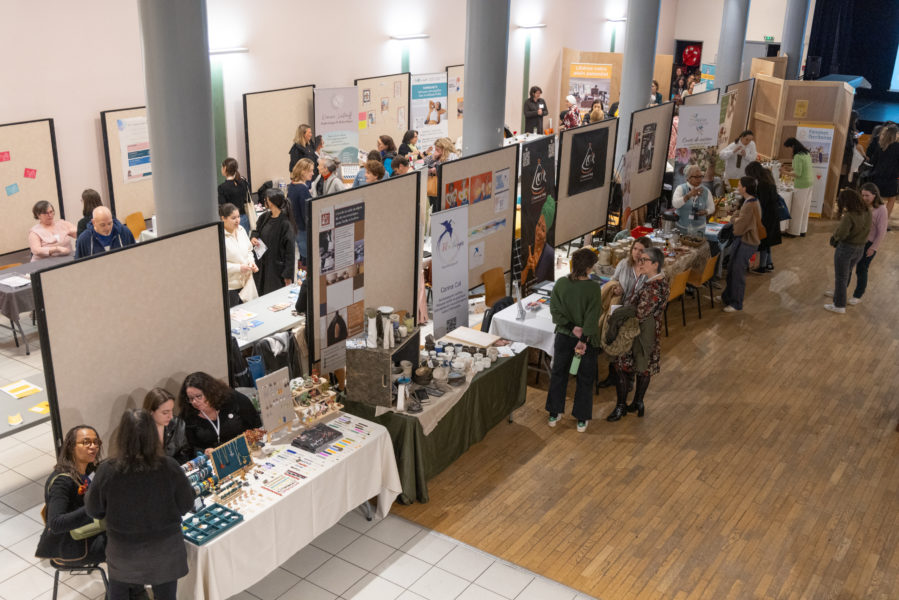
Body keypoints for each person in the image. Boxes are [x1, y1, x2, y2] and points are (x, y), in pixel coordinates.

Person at [85, 410, 194, 600]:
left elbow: (94, 510)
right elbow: (186, 505)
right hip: (165, 552)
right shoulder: (169, 467)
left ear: (122, 436)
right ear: (153, 434)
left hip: (123, 554)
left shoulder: (107, 471)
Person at [608, 246, 670, 421]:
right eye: (639, 259)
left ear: (655, 264)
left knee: (620, 366)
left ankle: (621, 406)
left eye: (644, 260)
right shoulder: (662, 282)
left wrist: (619, 314)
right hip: (651, 334)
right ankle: (638, 403)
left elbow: (640, 313)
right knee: (644, 369)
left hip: (637, 334)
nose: (640, 262)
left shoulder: (652, 288)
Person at [545, 248, 602, 433]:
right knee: (585, 378)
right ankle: (581, 418)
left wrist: (571, 327)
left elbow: (554, 310)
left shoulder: (561, 284)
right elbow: (593, 317)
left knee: (558, 374)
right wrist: (583, 338)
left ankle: (554, 413)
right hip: (585, 341)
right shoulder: (593, 288)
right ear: (588, 268)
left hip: (563, 337)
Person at [35, 425, 106, 567]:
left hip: (86, 533)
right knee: (127, 544)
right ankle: (129, 588)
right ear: (71, 446)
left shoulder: (90, 469)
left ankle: (129, 586)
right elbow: (55, 524)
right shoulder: (62, 481)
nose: (93, 447)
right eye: (86, 442)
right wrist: (93, 507)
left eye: (96, 442)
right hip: (70, 545)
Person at [597, 236, 652, 388]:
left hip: (635, 314)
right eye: (635, 249)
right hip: (618, 310)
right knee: (614, 341)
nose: (637, 253)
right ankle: (612, 377)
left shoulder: (649, 271)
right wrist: (615, 288)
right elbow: (613, 280)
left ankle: (629, 379)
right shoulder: (623, 264)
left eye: (641, 251)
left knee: (630, 346)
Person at [178, 371, 262, 454]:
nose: (194, 402)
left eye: (199, 396)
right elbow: (189, 449)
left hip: (246, 450)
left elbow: (256, 424)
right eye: (191, 398)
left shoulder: (232, 399)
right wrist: (204, 452)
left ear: (210, 392)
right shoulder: (187, 416)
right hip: (214, 460)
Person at [824, 189, 871, 314]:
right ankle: (838, 299)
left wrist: (835, 238)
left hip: (846, 249)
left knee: (841, 278)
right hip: (860, 248)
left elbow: (842, 233)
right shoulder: (867, 211)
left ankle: (839, 305)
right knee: (845, 275)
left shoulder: (849, 216)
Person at [721, 176, 762, 313]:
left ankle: (736, 302)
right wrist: (736, 218)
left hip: (746, 242)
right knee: (732, 268)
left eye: (739, 185)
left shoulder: (749, 205)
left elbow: (739, 227)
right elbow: (739, 219)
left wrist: (734, 219)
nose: (737, 187)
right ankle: (727, 297)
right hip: (745, 240)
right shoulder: (750, 202)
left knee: (737, 271)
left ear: (745, 188)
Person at [848, 183, 888, 304]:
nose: (864, 198)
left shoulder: (882, 209)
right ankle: (840, 290)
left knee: (861, 270)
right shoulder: (862, 206)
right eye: (862, 195)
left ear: (875, 195)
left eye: (867, 195)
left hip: (868, 245)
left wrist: (873, 248)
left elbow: (881, 232)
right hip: (856, 242)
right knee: (847, 268)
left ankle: (857, 295)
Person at [251, 191, 295, 294]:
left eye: (266, 199)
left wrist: (287, 275)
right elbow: (256, 231)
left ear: (271, 201)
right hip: (262, 265)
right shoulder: (264, 217)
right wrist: (253, 237)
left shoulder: (285, 224)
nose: (264, 201)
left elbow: (290, 252)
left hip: (276, 270)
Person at [744, 161, 782, 273]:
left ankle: (762, 267)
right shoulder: (768, 178)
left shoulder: (762, 184)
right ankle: (769, 264)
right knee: (767, 241)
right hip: (772, 215)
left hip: (767, 216)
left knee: (763, 242)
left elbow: (762, 203)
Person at [142, 387, 193, 464]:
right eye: (165, 413)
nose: (171, 416)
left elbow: (184, 453)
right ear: (151, 411)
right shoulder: (139, 431)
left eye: (171, 410)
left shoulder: (178, 424)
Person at [221, 203, 258, 306]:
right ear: (223, 218)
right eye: (233, 218)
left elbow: (249, 251)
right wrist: (239, 268)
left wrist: (251, 262)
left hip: (247, 282)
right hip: (231, 287)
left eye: (238, 217)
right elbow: (219, 265)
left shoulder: (241, 230)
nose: (237, 220)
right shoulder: (219, 237)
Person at [521, 195, 556, 287]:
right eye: (539, 224)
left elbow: (550, 284)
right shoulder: (527, 248)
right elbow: (520, 283)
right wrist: (527, 267)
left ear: (547, 233)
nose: (539, 232)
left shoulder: (549, 254)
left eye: (543, 230)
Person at [867, 123, 899, 223]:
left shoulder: (880, 146)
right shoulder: (898, 147)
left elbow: (873, 161)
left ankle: (869, 220)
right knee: (891, 199)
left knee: (874, 198)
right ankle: (883, 222)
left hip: (876, 176)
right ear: (895, 134)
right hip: (891, 178)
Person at [672, 165, 716, 233]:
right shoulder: (680, 188)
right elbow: (675, 204)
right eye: (696, 177)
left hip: (699, 229)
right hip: (681, 228)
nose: (699, 179)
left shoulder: (706, 191)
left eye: (701, 176)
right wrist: (688, 195)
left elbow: (712, 208)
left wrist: (706, 212)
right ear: (688, 178)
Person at [287, 158, 315, 265]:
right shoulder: (303, 190)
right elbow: (306, 214)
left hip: (296, 228)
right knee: (308, 261)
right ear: (303, 171)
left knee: (303, 258)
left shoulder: (292, 186)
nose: (313, 173)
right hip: (304, 230)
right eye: (311, 171)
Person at [784, 137, 813, 236]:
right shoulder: (806, 153)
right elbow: (800, 168)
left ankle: (793, 232)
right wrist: (790, 168)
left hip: (801, 184)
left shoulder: (797, 156)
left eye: (789, 148)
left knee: (797, 209)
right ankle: (802, 230)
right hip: (809, 183)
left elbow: (798, 173)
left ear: (792, 146)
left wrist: (784, 172)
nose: (790, 151)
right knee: (805, 208)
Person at [217, 157, 252, 232]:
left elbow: (223, 207)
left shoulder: (222, 187)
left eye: (222, 167)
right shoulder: (243, 183)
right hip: (244, 218)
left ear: (225, 168)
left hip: (231, 220)